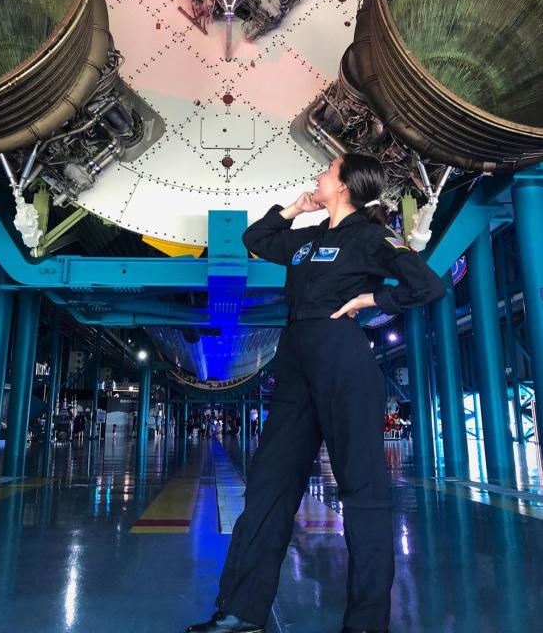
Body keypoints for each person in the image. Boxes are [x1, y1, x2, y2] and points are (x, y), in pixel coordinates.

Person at [185, 153, 445, 633]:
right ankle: (241, 612)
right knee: (268, 486)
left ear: (345, 184)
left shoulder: (371, 236)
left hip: (342, 360)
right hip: (296, 362)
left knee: (361, 492)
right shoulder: (308, 240)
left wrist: (374, 299)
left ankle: (366, 625)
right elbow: (256, 240)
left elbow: (427, 285)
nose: (318, 175)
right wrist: (294, 208)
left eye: (327, 170)